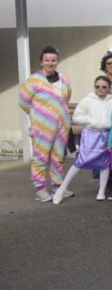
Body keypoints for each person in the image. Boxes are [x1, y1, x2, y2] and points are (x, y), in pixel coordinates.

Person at [18, 46, 73, 202]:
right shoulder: (32, 81)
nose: (50, 63)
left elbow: (66, 97)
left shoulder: (64, 79)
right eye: (47, 60)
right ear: (41, 62)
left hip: (61, 126)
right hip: (42, 128)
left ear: (57, 61)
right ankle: (40, 188)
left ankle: (58, 185)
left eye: (53, 60)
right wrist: (40, 115)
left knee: (58, 157)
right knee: (40, 157)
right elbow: (23, 102)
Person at [52, 76, 112, 203]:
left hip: (105, 135)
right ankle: (62, 188)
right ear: (94, 86)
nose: (100, 89)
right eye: (98, 86)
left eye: (104, 87)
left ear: (108, 88)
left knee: (105, 162)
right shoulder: (87, 100)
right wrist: (91, 121)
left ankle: (101, 191)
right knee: (81, 161)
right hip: (90, 134)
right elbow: (77, 117)